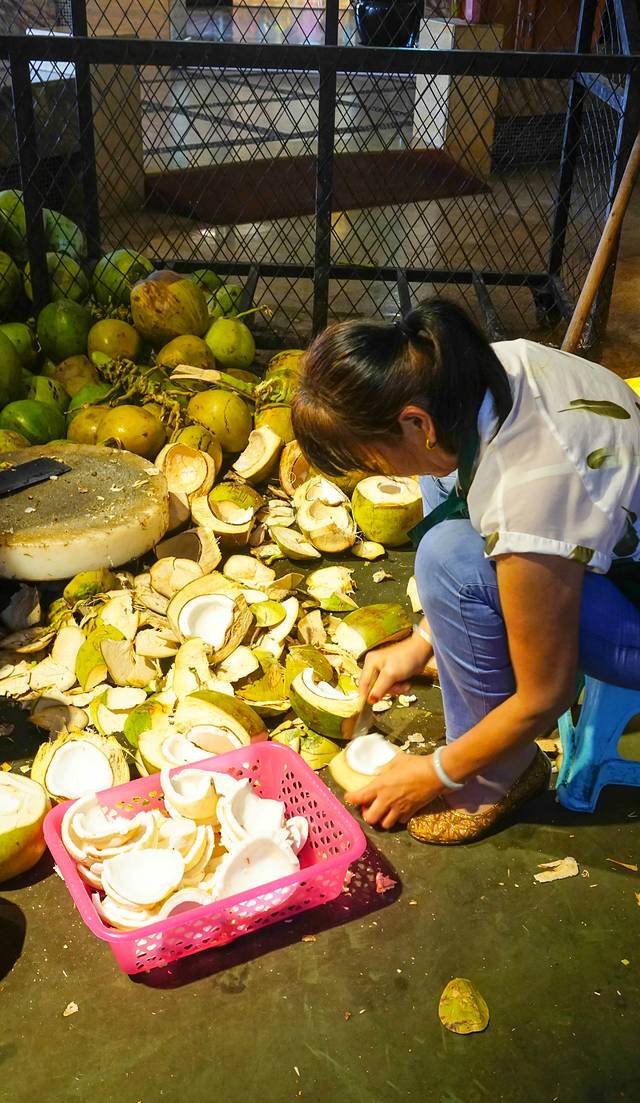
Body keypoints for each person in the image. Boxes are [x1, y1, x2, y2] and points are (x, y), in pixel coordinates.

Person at [291, 298, 640, 844]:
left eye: (371, 458)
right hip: (607, 540)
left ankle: (494, 776)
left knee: (448, 559)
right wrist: (424, 637)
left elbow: (543, 697)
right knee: (436, 482)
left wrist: (438, 771)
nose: (375, 472)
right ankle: (490, 728)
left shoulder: (527, 497)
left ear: (415, 422)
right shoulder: (486, 370)